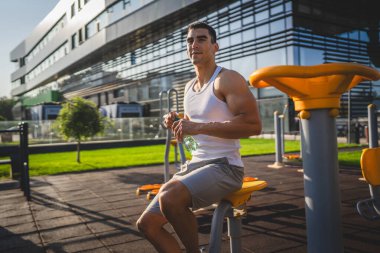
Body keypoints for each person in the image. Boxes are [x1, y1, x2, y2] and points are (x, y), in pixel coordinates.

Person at [136, 21, 262, 253]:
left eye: (201, 39)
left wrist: (198, 127)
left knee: (170, 198)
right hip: (196, 164)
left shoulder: (228, 79)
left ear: (215, 47)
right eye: (190, 40)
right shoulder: (189, 87)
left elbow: (253, 125)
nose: (194, 44)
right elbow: (194, 143)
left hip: (226, 167)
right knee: (147, 225)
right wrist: (179, 126)